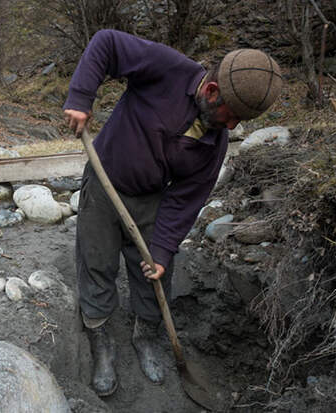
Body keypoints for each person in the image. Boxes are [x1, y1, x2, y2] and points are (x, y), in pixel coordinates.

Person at [63, 29, 282, 396]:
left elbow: (185, 199)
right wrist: (82, 97)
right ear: (212, 92)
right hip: (104, 183)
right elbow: (106, 44)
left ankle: (146, 336)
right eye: (232, 116)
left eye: (240, 123)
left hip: (151, 199)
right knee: (96, 263)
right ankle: (102, 342)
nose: (231, 127)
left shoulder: (214, 144)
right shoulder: (166, 68)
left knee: (155, 274)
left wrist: (163, 250)